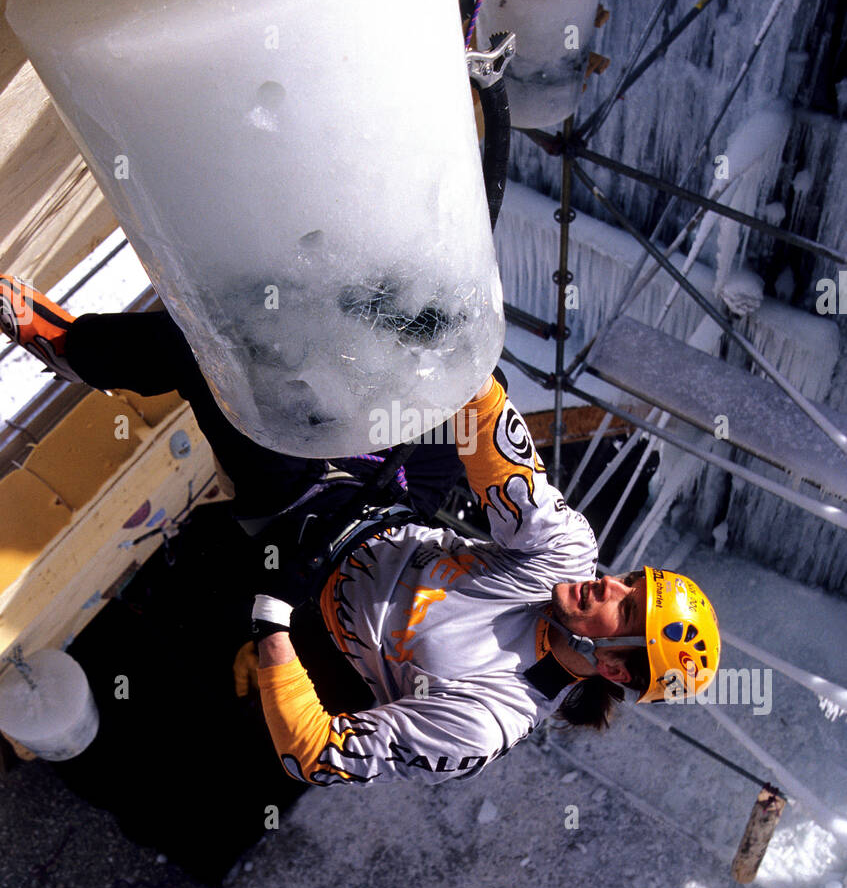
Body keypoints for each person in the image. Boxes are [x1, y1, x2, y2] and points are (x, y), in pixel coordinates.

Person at [1, 274, 720, 788]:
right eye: (630, 582)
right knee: (374, 361)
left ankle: (72, 349)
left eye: (623, 608)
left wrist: (272, 626)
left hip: (311, 538)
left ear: (616, 668)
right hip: (399, 508)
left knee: (211, 366)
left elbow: (318, 754)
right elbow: (503, 457)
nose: (608, 584)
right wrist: (453, 352)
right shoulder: (567, 560)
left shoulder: (484, 720)